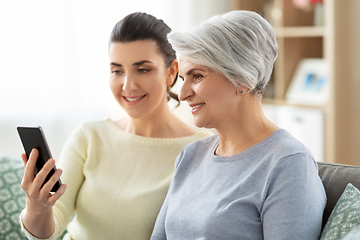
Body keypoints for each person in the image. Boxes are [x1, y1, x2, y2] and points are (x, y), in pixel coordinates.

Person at [19, 12, 212, 240]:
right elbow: (49, 229)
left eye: (142, 69)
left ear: (171, 72)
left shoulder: (202, 149)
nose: (128, 85)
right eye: (117, 70)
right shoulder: (89, 136)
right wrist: (37, 207)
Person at [151, 10, 326, 240]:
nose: (182, 94)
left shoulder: (289, 164)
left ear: (243, 80)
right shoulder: (190, 156)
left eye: (197, 76)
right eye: (183, 78)